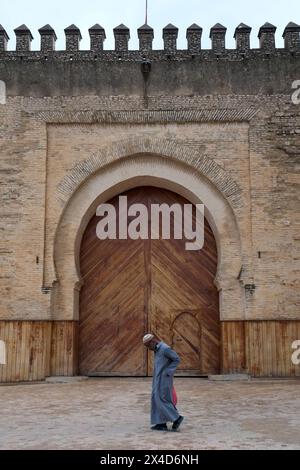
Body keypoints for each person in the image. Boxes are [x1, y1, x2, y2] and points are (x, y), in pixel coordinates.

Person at [143, 333, 184, 431]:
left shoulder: (165, 348)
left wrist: (168, 371)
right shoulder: (157, 350)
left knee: (161, 399)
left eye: (148, 346)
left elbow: (176, 359)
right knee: (155, 399)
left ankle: (177, 418)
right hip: (157, 378)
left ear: (153, 341)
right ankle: (161, 423)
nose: (148, 348)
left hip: (164, 379)